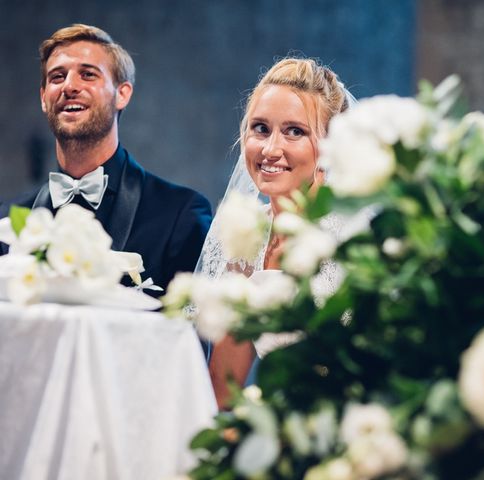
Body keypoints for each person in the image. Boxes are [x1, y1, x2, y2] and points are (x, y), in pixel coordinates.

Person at [0, 24, 212, 299]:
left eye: (87, 75)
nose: (69, 86)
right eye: (57, 77)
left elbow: (190, 337)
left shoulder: (181, 214)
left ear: (122, 94)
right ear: (43, 98)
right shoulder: (10, 221)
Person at [196, 58, 353, 407]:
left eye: (295, 131)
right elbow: (223, 390)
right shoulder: (244, 237)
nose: (270, 149)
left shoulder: (347, 243)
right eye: (261, 129)